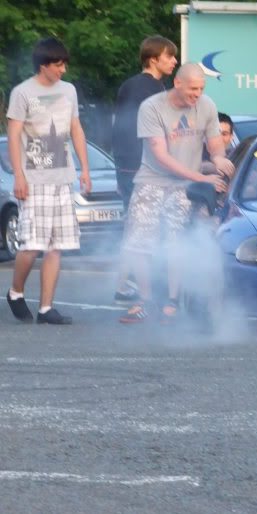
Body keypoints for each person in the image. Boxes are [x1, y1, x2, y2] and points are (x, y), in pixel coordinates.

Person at [118, 62, 234, 323]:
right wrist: (202, 177)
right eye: (193, 88)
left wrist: (218, 159)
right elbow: (161, 158)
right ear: (178, 83)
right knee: (138, 241)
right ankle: (145, 300)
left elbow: (215, 145)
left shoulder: (207, 106)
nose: (198, 94)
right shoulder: (151, 107)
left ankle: (172, 302)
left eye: (202, 88)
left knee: (176, 243)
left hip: (183, 186)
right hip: (152, 179)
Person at [5, 36, 91, 325]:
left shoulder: (69, 91)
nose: (63, 70)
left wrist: (85, 169)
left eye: (64, 64)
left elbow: (76, 128)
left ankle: (46, 308)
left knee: (56, 245)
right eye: (58, 64)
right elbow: (14, 137)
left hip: (62, 178)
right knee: (31, 244)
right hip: (34, 179)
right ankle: (16, 291)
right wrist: (19, 175)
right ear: (43, 65)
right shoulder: (22, 92)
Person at [112, 35, 178, 302]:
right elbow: (142, 132)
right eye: (169, 56)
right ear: (154, 59)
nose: (174, 61)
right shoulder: (149, 89)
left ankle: (122, 284)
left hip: (130, 166)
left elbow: (117, 129)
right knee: (144, 228)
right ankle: (143, 285)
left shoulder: (133, 86)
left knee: (134, 227)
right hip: (142, 168)